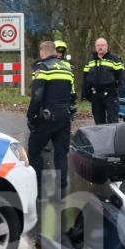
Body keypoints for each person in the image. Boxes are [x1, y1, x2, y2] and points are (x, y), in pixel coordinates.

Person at [27, 39, 77, 201]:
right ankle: (62, 186)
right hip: (64, 116)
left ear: (42, 52)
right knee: (61, 152)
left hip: (46, 117)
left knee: (34, 151)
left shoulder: (43, 68)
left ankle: (38, 189)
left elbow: (37, 96)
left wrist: (31, 116)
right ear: (55, 52)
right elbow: (72, 95)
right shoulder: (67, 68)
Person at [81, 36, 125, 124]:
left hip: (110, 94)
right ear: (95, 47)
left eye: (102, 45)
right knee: (98, 121)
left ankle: (113, 138)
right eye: (98, 45)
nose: (100, 47)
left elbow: (121, 77)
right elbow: (85, 78)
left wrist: (121, 92)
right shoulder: (90, 60)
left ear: (107, 46)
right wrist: (85, 93)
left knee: (112, 121)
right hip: (96, 95)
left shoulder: (114, 59)